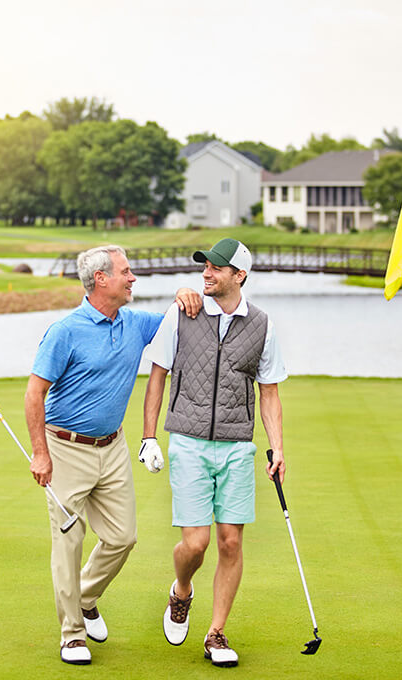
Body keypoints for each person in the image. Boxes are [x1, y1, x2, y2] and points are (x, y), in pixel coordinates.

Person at [25, 245, 201, 666]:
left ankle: (84, 599)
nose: (133, 278)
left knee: (123, 537)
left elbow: (180, 324)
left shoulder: (134, 323)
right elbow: (35, 394)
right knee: (69, 542)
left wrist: (183, 292)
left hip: (113, 447)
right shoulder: (65, 330)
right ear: (101, 279)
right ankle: (71, 635)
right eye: (126, 272)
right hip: (66, 448)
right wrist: (40, 454)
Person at [139, 237, 287, 668]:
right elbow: (157, 376)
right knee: (196, 542)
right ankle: (181, 590)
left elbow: (270, 392)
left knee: (230, 541)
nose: (206, 272)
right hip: (187, 441)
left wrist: (278, 446)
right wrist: (149, 436)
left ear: (239, 275)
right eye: (205, 266)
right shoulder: (182, 313)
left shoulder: (262, 325)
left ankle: (216, 633)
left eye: (216, 268)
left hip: (237, 445)